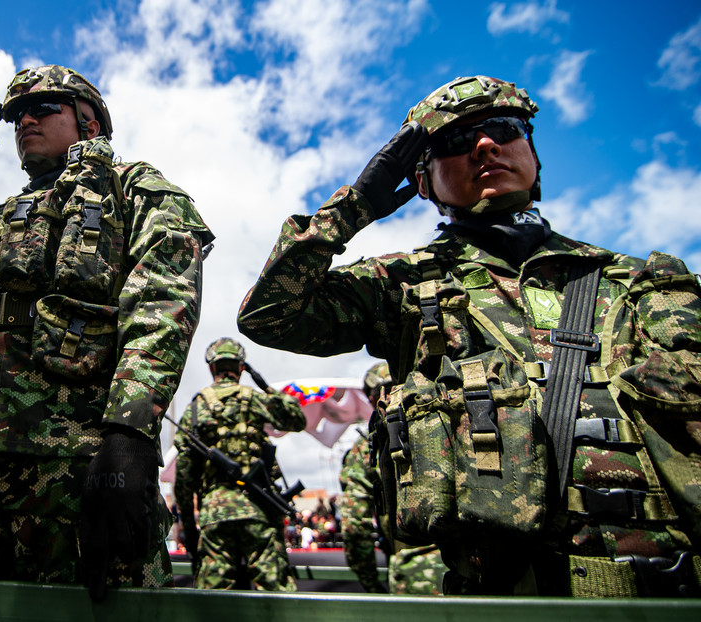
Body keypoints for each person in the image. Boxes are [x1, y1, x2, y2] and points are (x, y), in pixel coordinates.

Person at [238, 75, 701, 597]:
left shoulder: (644, 283)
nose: (485, 145)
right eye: (455, 142)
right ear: (422, 182)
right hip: (511, 601)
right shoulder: (403, 287)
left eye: (503, 129)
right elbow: (270, 315)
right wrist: (352, 208)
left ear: (531, 150)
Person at [0, 65, 213, 601]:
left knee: (90, 606)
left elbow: (164, 300)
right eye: (16, 115)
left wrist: (129, 432)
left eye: (44, 108)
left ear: (90, 123)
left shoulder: (132, 188)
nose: (25, 119)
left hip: (67, 451)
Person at [172, 338, 306, 591]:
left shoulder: (196, 408)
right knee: (276, 593)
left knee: (216, 598)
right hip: (259, 508)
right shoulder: (254, 398)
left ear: (212, 368)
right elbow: (296, 419)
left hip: (216, 514)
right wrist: (265, 386)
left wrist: (189, 528)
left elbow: (185, 474)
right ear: (241, 368)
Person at [339, 361, 444, 594]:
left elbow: (355, 525)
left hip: (416, 573)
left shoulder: (367, 447)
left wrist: (371, 584)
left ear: (373, 399)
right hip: (487, 567)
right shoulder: (448, 419)